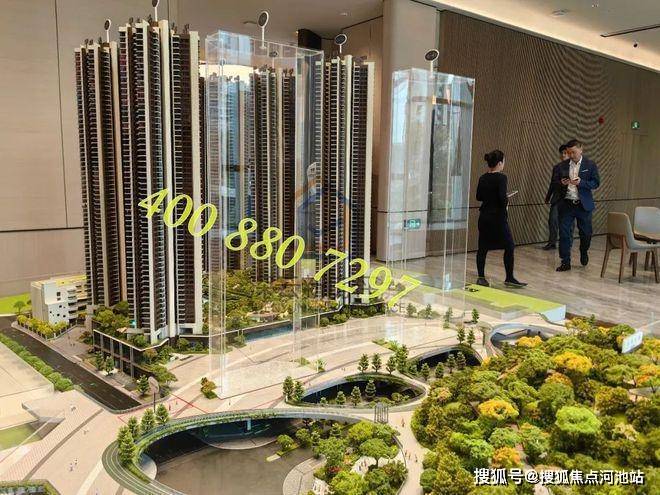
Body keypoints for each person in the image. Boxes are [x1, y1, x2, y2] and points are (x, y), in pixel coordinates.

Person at [475, 150, 526, 287]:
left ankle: (481, 277)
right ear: (499, 163)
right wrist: (506, 199)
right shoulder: (502, 178)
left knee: (482, 247)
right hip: (498, 217)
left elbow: (478, 197)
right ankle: (509, 277)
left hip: (484, 216)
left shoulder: (482, 178)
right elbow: (502, 199)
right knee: (509, 246)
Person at [556, 139, 600, 271]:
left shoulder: (590, 165)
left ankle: (583, 251)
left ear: (581, 149)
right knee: (564, 233)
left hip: (583, 206)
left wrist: (582, 183)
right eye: (569, 153)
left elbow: (596, 183)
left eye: (573, 152)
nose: (571, 155)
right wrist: (561, 183)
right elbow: (555, 182)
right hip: (567, 204)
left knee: (586, 234)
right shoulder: (562, 165)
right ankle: (565, 261)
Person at [543, 144, 569, 250]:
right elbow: (552, 183)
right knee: (552, 220)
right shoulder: (557, 167)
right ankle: (552, 242)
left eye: (565, 153)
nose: (563, 155)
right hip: (557, 198)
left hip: (569, 199)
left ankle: (566, 244)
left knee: (567, 223)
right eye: (561, 153)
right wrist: (548, 196)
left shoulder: (575, 167)